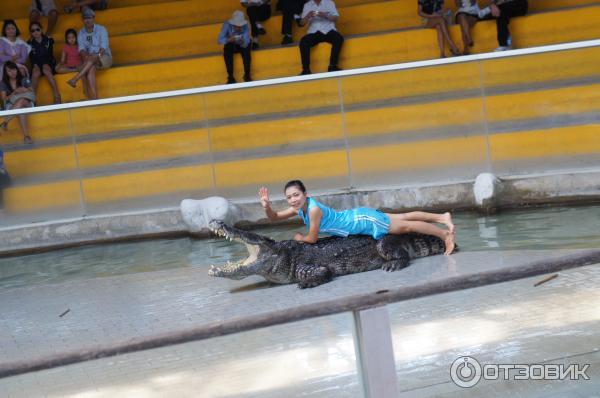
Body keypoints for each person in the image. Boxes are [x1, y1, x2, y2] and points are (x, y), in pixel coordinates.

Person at [259, 180, 456, 255]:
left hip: (362, 221)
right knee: (403, 217)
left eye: (296, 195)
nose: (293, 200)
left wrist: (298, 238)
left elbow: (312, 239)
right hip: (359, 216)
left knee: (406, 226)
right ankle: (441, 216)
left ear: (305, 194)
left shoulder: (312, 210)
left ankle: (444, 235)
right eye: (289, 197)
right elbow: (274, 217)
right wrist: (267, 207)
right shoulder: (300, 208)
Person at [67, 8, 112, 99]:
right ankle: (95, 98)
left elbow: (103, 47)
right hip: (90, 60)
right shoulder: (81, 33)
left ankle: (75, 78)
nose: (87, 20)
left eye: (89, 18)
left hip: (104, 57)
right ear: (82, 20)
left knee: (92, 60)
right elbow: (82, 50)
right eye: (85, 18)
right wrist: (87, 57)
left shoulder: (101, 29)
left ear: (93, 18)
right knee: (91, 68)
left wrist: (96, 56)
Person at [298, 0, 344, 75]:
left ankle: (332, 66)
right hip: (313, 32)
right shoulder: (307, 5)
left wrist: (326, 15)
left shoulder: (329, 2)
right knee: (303, 42)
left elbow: (336, 18)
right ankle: (306, 70)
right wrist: (308, 16)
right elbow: (301, 23)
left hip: (328, 30)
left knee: (338, 38)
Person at [0, 61, 35, 144]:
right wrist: (14, 92)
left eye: (14, 69)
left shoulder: (24, 79)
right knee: (21, 111)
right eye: (9, 71)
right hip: (12, 105)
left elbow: (32, 91)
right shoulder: (3, 83)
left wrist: (25, 90)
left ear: (17, 69)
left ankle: (5, 121)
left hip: (27, 103)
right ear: (5, 72)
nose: (12, 72)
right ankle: (27, 137)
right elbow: (4, 99)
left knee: (22, 100)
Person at [28, 21, 61, 104]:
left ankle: (57, 95)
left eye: (37, 29)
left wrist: (44, 64)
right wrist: (36, 65)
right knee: (35, 72)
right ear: (31, 33)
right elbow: (32, 58)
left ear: (41, 30)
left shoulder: (49, 40)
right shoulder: (29, 43)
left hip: (48, 62)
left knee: (46, 68)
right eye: (33, 30)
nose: (35, 32)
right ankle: (32, 99)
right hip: (36, 64)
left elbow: (49, 55)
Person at [218, 11, 252, 84]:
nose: (238, 26)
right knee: (227, 50)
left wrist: (242, 41)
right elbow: (220, 40)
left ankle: (247, 74)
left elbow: (246, 42)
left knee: (247, 49)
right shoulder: (226, 25)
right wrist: (229, 40)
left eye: (239, 25)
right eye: (236, 25)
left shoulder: (246, 25)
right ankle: (230, 76)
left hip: (242, 45)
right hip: (231, 44)